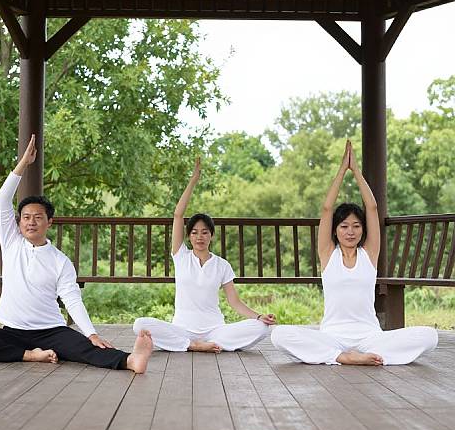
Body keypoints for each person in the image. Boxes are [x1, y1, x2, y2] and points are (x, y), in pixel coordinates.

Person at [0, 135, 152, 373]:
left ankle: (131, 360)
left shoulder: (60, 261)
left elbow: (72, 299)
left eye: (38, 217)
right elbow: (2, 200)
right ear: (19, 223)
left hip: (51, 332)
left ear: (50, 222)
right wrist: (23, 164)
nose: (31, 222)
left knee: (84, 348)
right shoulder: (11, 243)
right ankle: (29, 356)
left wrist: (91, 332)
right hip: (13, 331)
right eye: (26, 217)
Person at [271, 141, 438, 366]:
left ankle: (361, 356)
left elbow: (372, 208)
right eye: (344, 226)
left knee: (430, 336)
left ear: (363, 229)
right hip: (332, 337)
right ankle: (342, 357)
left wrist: (356, 171)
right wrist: (342, 170)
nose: (350, 231)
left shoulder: (369, 253)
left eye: (356, 226)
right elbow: (327, 209)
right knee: (278, 335)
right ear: (335, 230)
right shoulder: (328, 253)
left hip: (370, 337)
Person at [133, 158, 275, 352]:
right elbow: (177, 215)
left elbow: (234, 302)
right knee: (140, 324)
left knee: (261, 328)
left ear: (212, 235)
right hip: (182, 330)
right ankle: (192, 345)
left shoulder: (222, 265)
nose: (199, 236)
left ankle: (206, 344)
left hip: (215, 330)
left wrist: (258, 316)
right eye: (194, 232)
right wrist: (194, 179)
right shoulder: (181, 256)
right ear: (189, 236)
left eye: (205, 232)